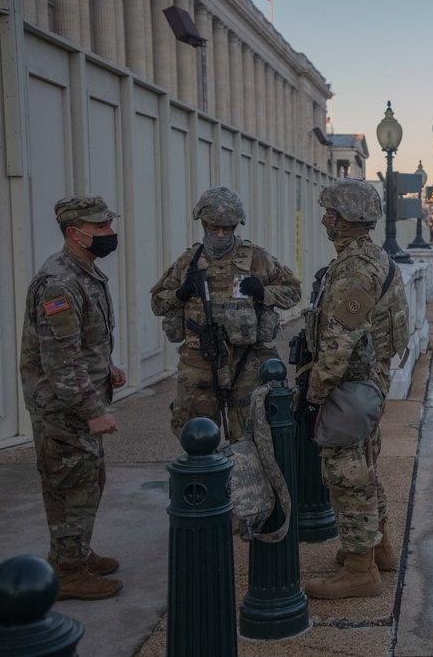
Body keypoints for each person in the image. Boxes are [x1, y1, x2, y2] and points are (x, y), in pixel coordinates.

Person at [20, 195, 126, 601]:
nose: (110, 234)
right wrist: (92, 408)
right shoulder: (60, 282)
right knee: (71, 483)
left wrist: (107, 366)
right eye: (101, 228)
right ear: (74, 234)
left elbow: (82, 342)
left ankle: (74, 552)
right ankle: (67, 570)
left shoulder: (84, 271)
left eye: (109, 225)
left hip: (72, 397)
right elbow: (60, 359)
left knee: (86, 478)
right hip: (62, 406)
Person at [150, 187, 301, 442]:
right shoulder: (188, 262)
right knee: (195, 434)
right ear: (203, 223)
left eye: (227, 229)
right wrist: (180, 294)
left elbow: (293, 291)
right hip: (199, 361)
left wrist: (263, 291)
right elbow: (157, 302)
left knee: (250, 435)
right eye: (214, 228)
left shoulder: (256, 258)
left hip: (245, 361)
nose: (220, 235)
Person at [302, 179, 392, 600]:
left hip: (348, 387)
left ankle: (361, 570)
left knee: (346, 473)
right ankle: (380, 548)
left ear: (344, 220)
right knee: (367, 464)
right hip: (365, 384)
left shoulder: (355, 267)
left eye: (329, 213)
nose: (324, 219)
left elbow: (339, 338)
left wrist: (315, 392)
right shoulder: (370, 257)